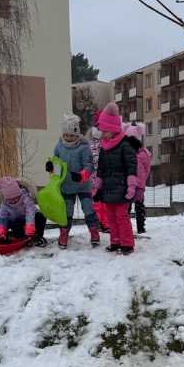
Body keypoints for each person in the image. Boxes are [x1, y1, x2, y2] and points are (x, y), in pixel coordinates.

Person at [92, 102, 138, 255]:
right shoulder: (104, 147)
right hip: (107, 189)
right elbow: (100, 169)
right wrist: (97, 188)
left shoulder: (125, 146)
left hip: (121, 189)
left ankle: (127, 243)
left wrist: (131, 186)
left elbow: (131, 167)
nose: (103, 134)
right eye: (102, 130)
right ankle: (115, 241)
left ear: (113, 129)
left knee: (122, 217)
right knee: (111, 218)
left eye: (105, 130)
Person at [47, 113, 98, 249]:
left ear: (78, 134)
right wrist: (51, 167)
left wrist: (82, 176)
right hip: (66, 186)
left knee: (88, 209)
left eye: (72, 135)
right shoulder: (59, 147)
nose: (69, 138)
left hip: (82, 186)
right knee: (66, 212)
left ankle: (94, 231)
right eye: (66, 135)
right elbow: (56, 163)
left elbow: (89, 166)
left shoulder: (84, 148)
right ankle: (64, 233)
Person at [0, 176, 47, 244]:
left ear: (20, 194)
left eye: (15, 198)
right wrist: (2, 234)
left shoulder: (26, 199)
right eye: (10, 200)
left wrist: (29, 232)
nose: (13, 201)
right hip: (19, 222)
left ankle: (35, 236)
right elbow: (2, 218)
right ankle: (20, 238)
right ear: (5, 198)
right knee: (15, 223)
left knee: (40, 216)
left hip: (33, 221)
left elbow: (30, 215)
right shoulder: (4, 204)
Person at [124, 122, 152, 234]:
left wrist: (142, 178)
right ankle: (129, 226)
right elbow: (147, 169)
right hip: (129, 183)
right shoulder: (127, 152)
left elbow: (147, 168)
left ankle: (139, 226)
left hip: (136, 184)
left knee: (136, 206)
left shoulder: (143, 154)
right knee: (130, 206)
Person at [86, 125, 108, 232]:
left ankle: (99, 223)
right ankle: (104, 224)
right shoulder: (105, 144)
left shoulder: (88, 146)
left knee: (97, 204)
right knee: (103, 203)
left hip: (93, 180)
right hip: (101, 179)